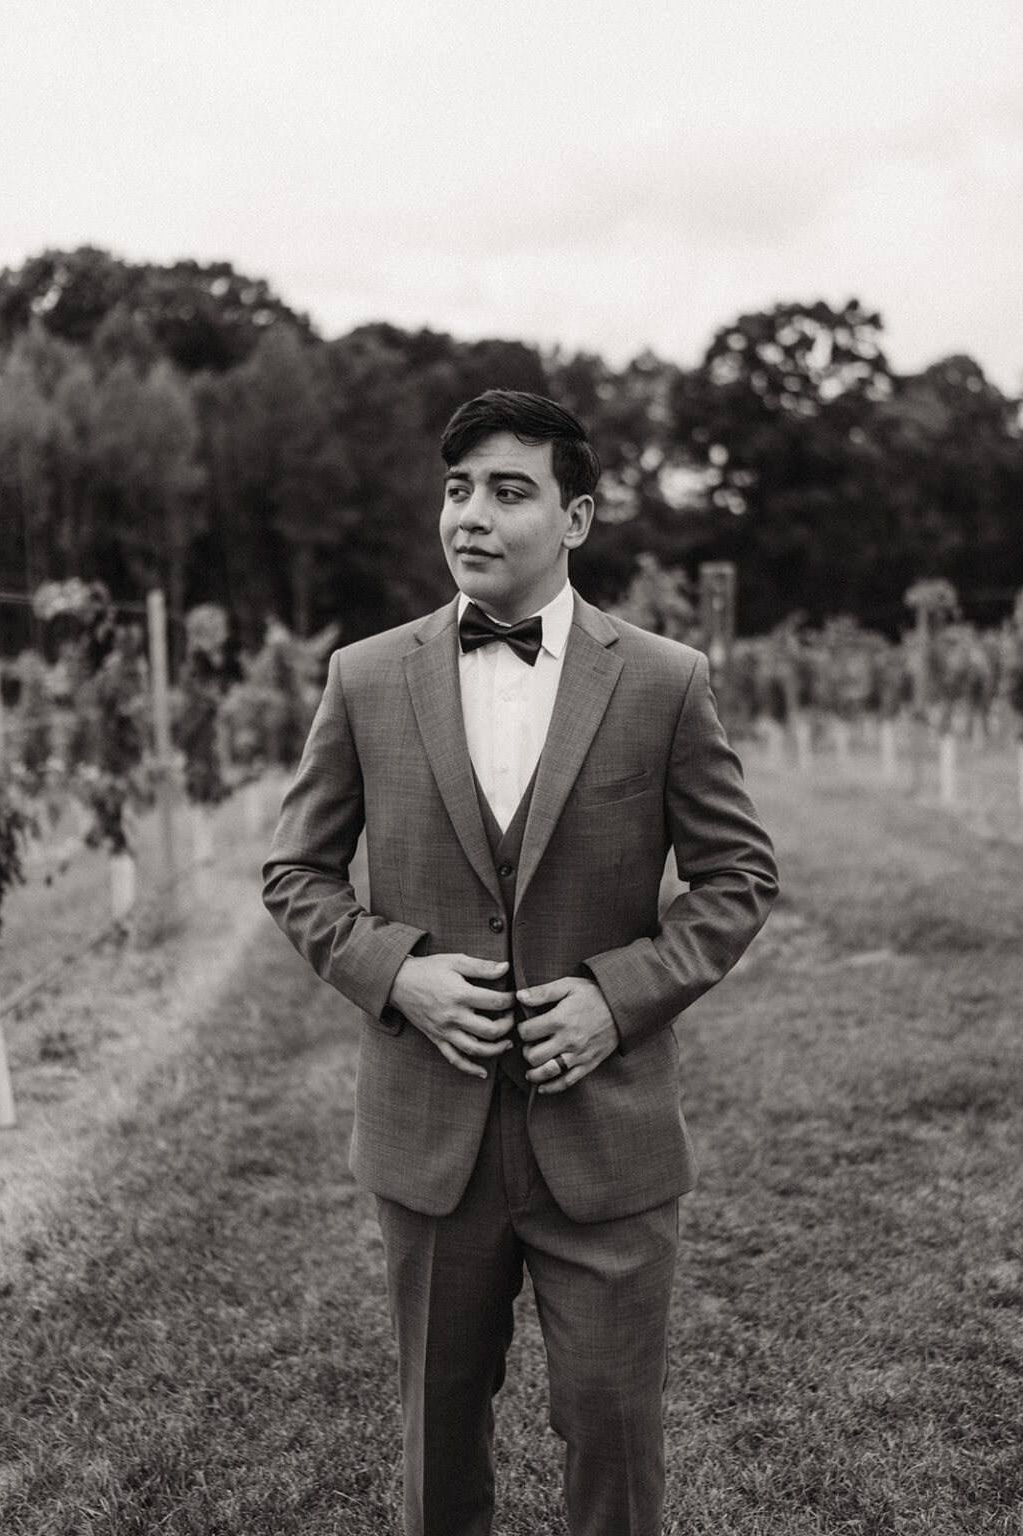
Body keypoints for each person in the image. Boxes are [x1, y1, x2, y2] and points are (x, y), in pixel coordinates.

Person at [263, 389, 778, 1536]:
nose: (472, 516)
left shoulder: (661, 680)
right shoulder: (364, 676)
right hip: (429, 1139)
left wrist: (615, 997)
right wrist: (395, 973)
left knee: (612, 1436)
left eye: (508, 491)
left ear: (577, 516)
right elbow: (295, 873)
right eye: (456, 490)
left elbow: (737, 877)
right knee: (437, 1441)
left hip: (606, 1139)